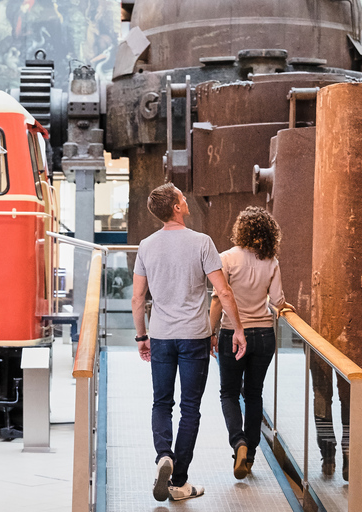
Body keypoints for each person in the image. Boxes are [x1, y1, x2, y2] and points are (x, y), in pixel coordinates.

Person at [132, 182, 247, 502]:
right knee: (190, 408)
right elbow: (223, 292)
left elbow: (137, 298)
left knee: (161, 402)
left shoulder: (146, 245)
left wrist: (142, 336)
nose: (186, 200)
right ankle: (179, 481)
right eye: (182, 198)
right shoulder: (202, 242)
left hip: (162, 336)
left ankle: (163, 457)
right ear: (177, 208)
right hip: (195, 337)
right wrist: (237, 329)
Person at [209, 206, 295, 479]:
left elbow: (217, 299)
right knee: (254, 394)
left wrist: (210, 332)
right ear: (269, 233)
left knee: (229, 393)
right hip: (264, 334)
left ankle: (239, 443)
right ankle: (251, 454)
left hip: (232, 334)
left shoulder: (227, 258)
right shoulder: (271, 262)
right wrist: (285, 307)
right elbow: (277, 300)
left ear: (241, 230)